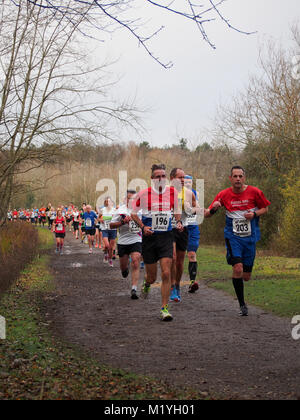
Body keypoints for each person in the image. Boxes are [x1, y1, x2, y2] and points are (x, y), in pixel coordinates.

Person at [205, 165, 271, 316]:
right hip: (233, 236)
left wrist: (254, 215)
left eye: (240, 176)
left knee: (246, 276)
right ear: (230, 178)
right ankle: (242, 305)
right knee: (238, 268)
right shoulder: (223, 194)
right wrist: (214, 208)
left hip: (250, 238)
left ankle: (243, 282)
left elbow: (265, 209)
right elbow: (208, 214)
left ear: (244, 178)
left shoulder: (255, 192)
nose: (238, 179)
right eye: (235, 176)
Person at [131, 163, 183, 322]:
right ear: (152, 179)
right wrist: (143, 227)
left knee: (167, 272)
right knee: (152, 277)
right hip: (149, 238)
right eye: (157, 176)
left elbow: (177, 211)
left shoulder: (173, 192)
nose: (161, 179)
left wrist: (178, 222)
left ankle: (164, 309)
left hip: (166, 237)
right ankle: (147, 284)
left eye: (163, 176)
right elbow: (133, 213)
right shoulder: (144, 194)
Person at [169, 168, 199, 303]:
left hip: (183, 229)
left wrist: (191, 210)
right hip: (169, 229)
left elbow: (196, 208)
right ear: (171, 178)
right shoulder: (164, 193)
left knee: (180, 262)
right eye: (179, 177)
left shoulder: (188, 193)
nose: (182, 180)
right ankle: (171, 286)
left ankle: (177, 286)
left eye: (183, 177)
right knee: (173, 258)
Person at [110, 190, 142, 300]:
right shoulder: (121, 210)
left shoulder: (141, 210)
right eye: (129, 198)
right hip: (123, 241)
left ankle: (134, 288)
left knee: (136, 260)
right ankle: (124, 270)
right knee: (123, 268)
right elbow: (111, 225)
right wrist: (123, 222)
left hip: (136, 238)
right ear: (125, 199)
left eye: (134, 198)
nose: (131, 200)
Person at [184, 175, 201, 293]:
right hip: (180, 228)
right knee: (176, 257)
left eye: (190, 182)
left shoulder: (195, 193)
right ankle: (173, 282)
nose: (188, 184)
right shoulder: (176, 194)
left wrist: (192, 209)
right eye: (185, 182)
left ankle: (192, 282)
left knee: (192, 254)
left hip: (193, 227)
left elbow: (198, 209)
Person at [99, 197, 117, 267]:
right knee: (107, 245)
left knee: (111, 247)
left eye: (109, 202)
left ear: (111, 203)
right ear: (105, 203)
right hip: (105, 229)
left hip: (113, 230)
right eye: (107, 202)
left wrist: (114, 217)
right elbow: (98, 218)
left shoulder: (114, 210)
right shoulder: (102, 210)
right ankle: (106, 254)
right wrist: (101, 220)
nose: (108, 203)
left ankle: (110, 259)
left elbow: (118, 218)